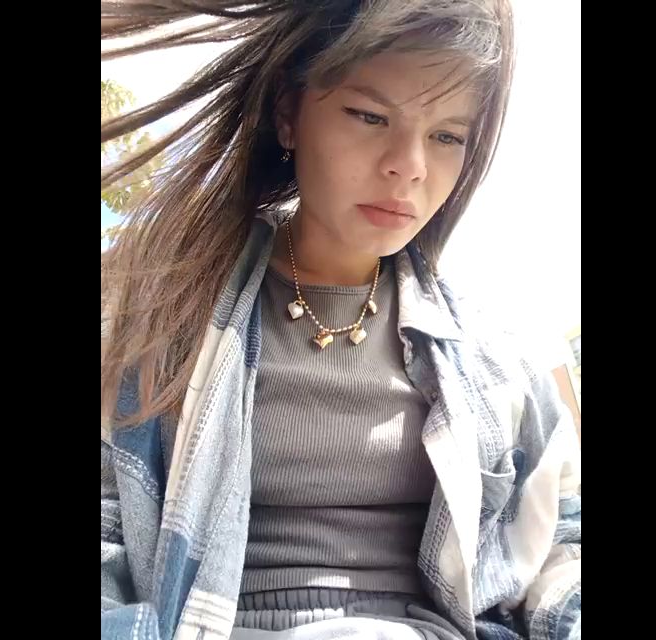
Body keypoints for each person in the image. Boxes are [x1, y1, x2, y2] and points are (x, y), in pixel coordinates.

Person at [100, 2, 580, 639]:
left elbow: (562, 546)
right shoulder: (158, 312)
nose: (409, 165)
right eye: (370, 116)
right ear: (288, 114)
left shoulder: (501, 354)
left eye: (446, 137)